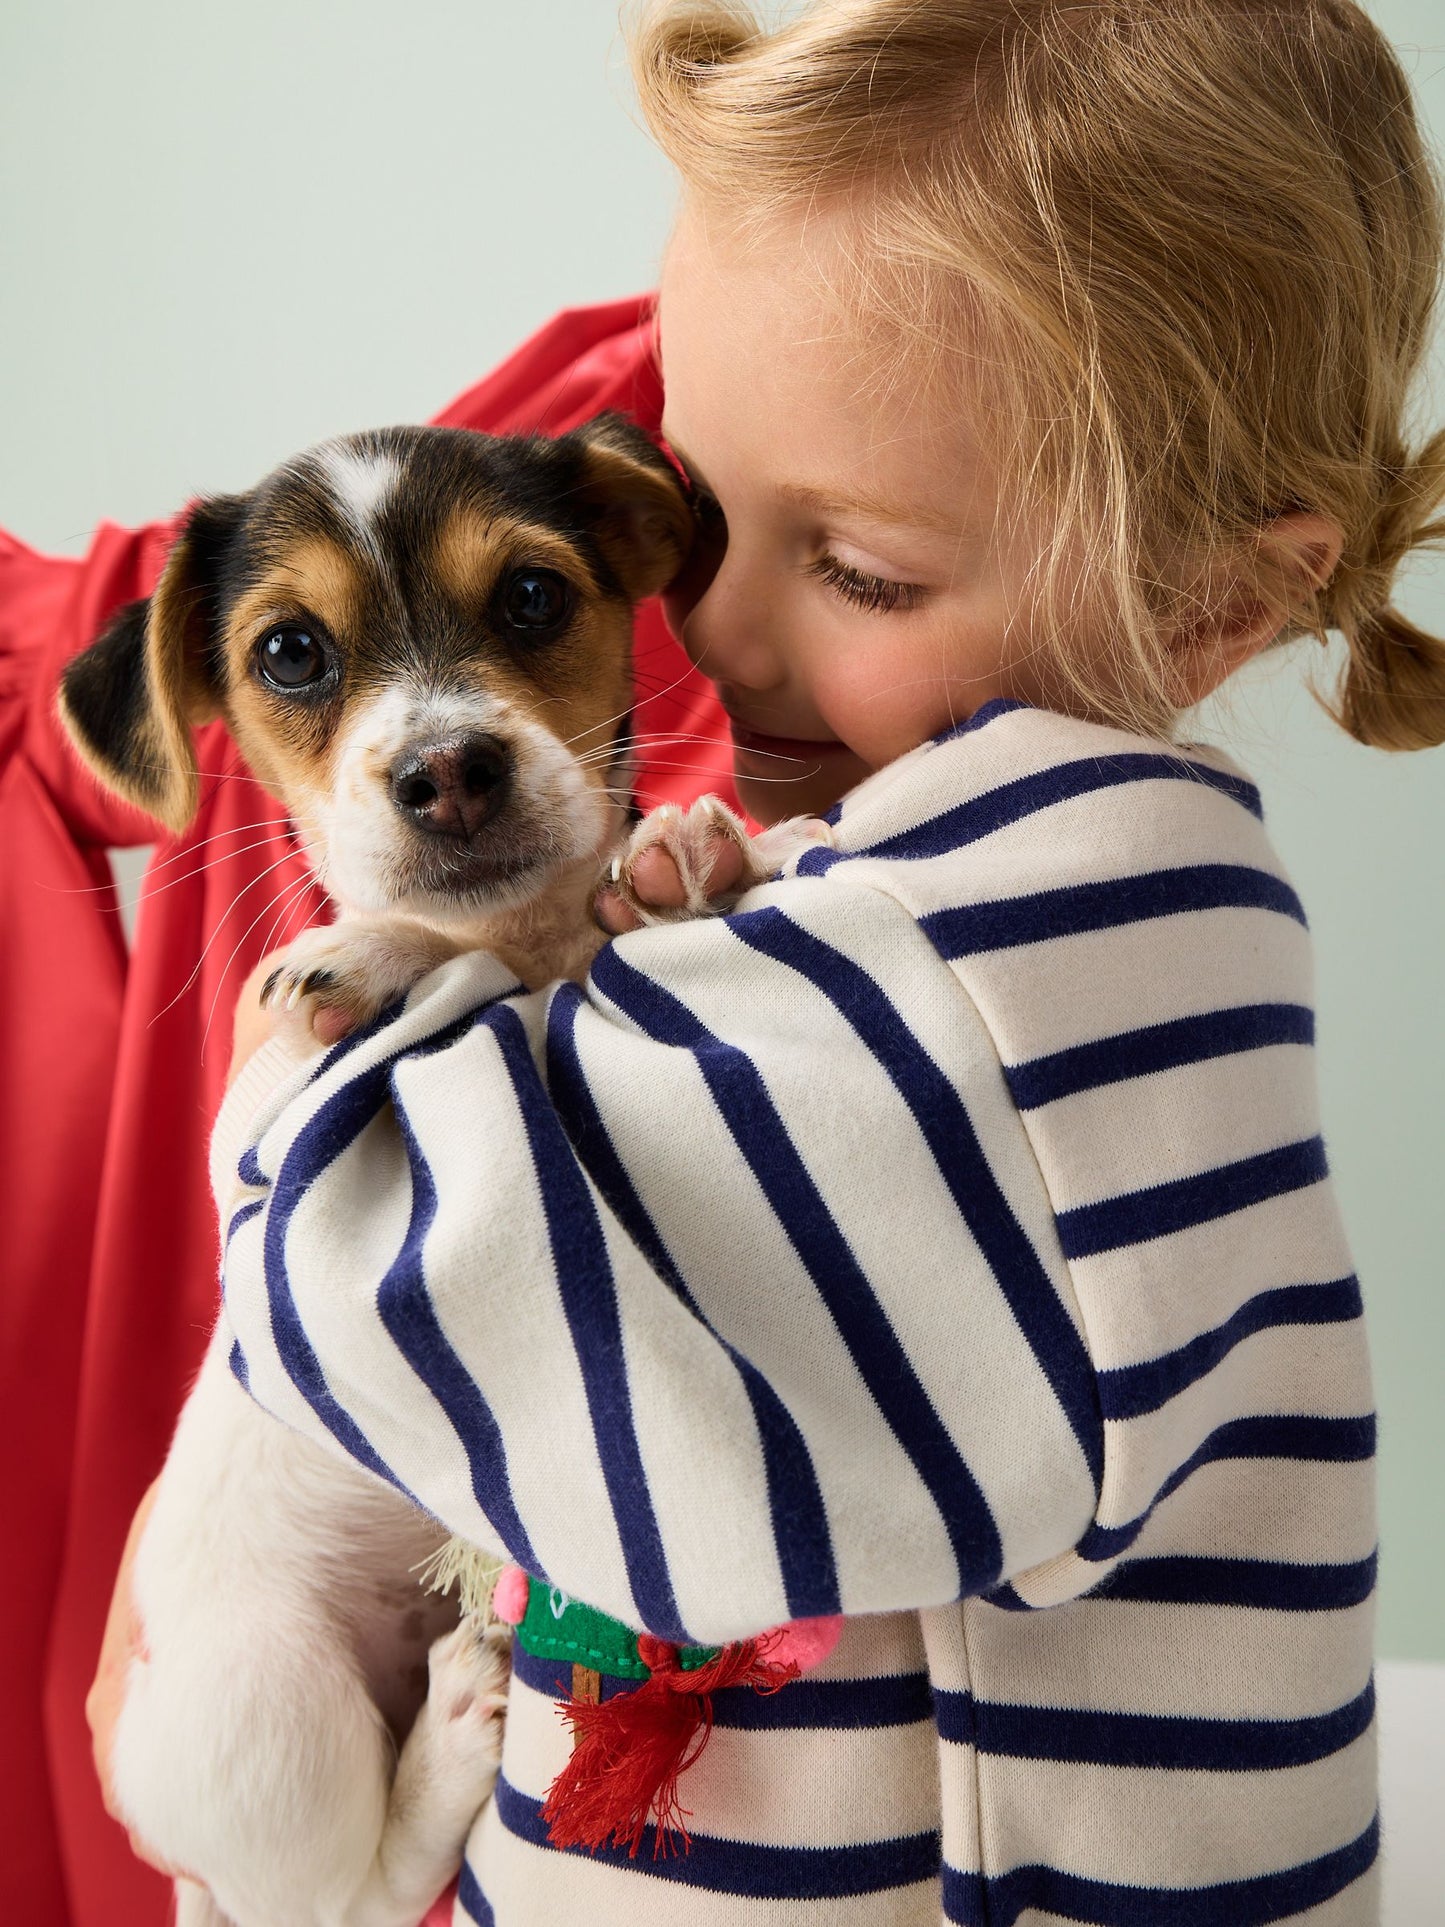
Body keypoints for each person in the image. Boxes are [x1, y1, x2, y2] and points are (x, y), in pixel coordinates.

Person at [87, 0, 1445, 1920]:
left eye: (864, 573)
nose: (702, 635)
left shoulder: (1058, 942)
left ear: (1212, 600)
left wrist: (286, 1091)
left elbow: (439, 1281)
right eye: (702, 525)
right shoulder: (912, 878)